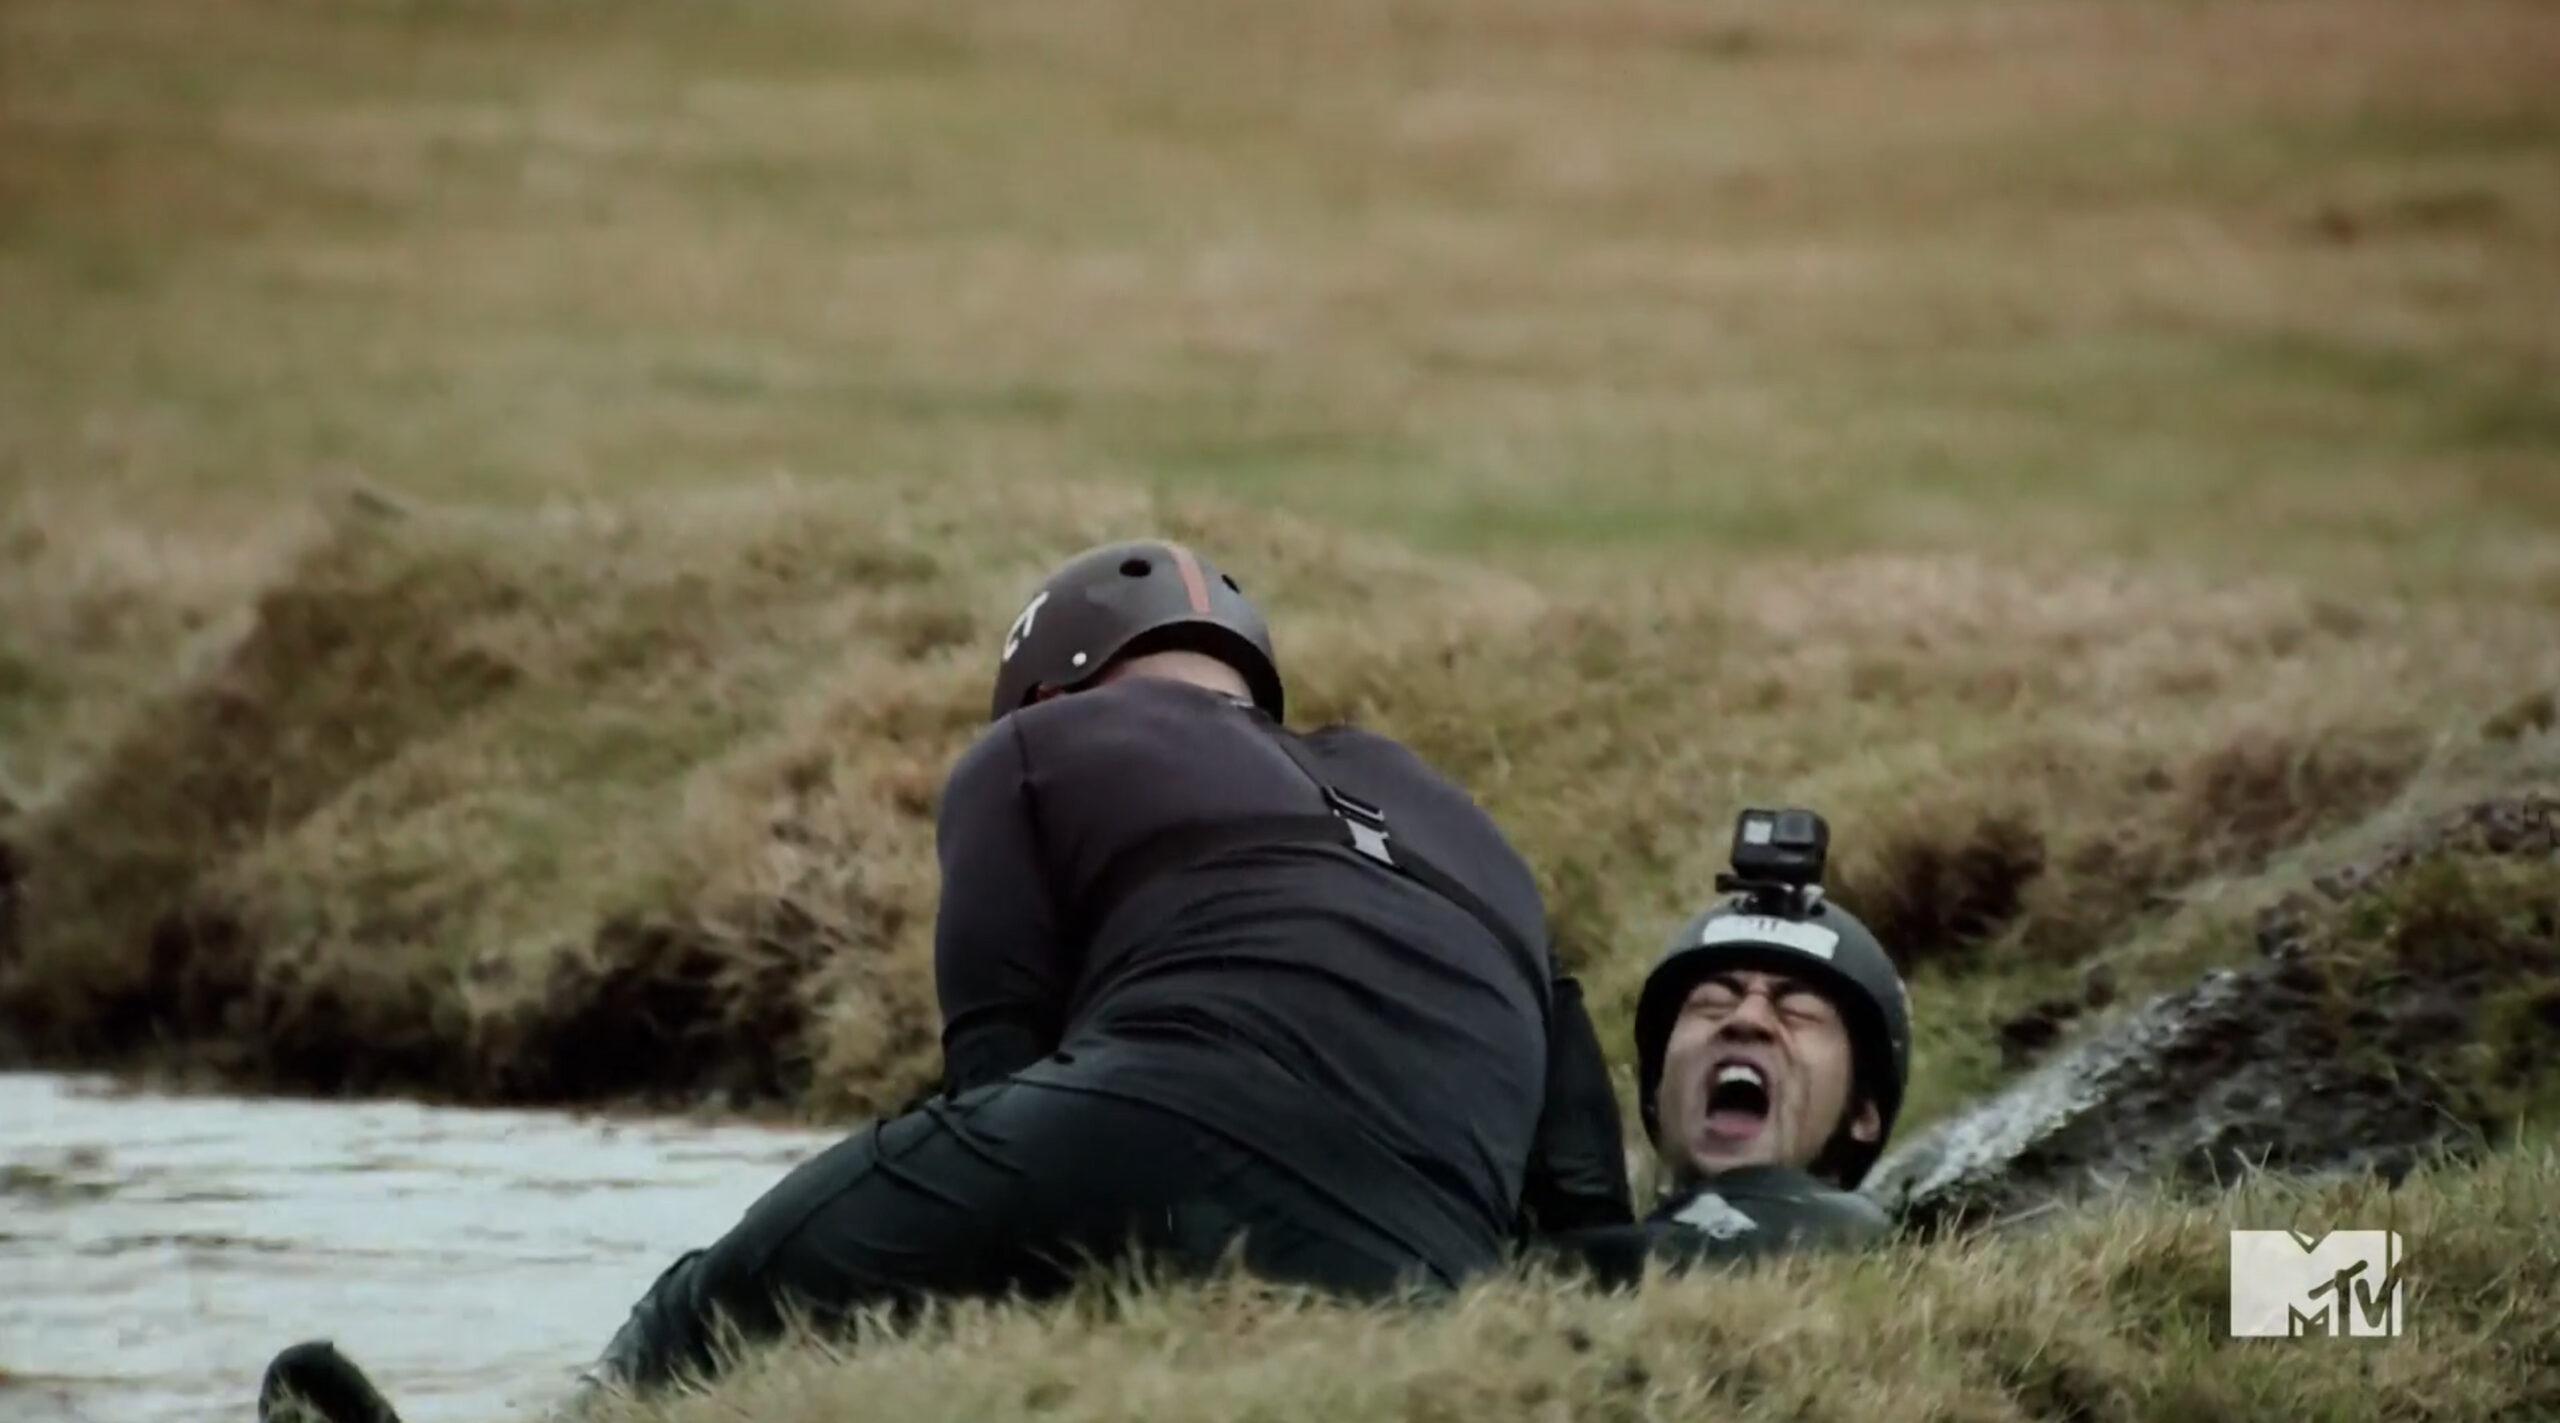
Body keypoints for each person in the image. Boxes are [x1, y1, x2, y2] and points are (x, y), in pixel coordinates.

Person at [259, 539, 1630, 1423]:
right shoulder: (1464, 821)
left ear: (1048, 686)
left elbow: (998, 1073)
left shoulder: (1036, 751)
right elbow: (1579, 1200)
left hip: (1161, 1115)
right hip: (1425, 1250)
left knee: (714, 1304)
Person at [1539, 809, 1911, 1287]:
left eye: (1797, 1010)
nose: (1746, 1019)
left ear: (1862, 1111)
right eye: (1712, 1002)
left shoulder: (1851, 1237)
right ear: (1656, 1091)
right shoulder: (1617, 1250)